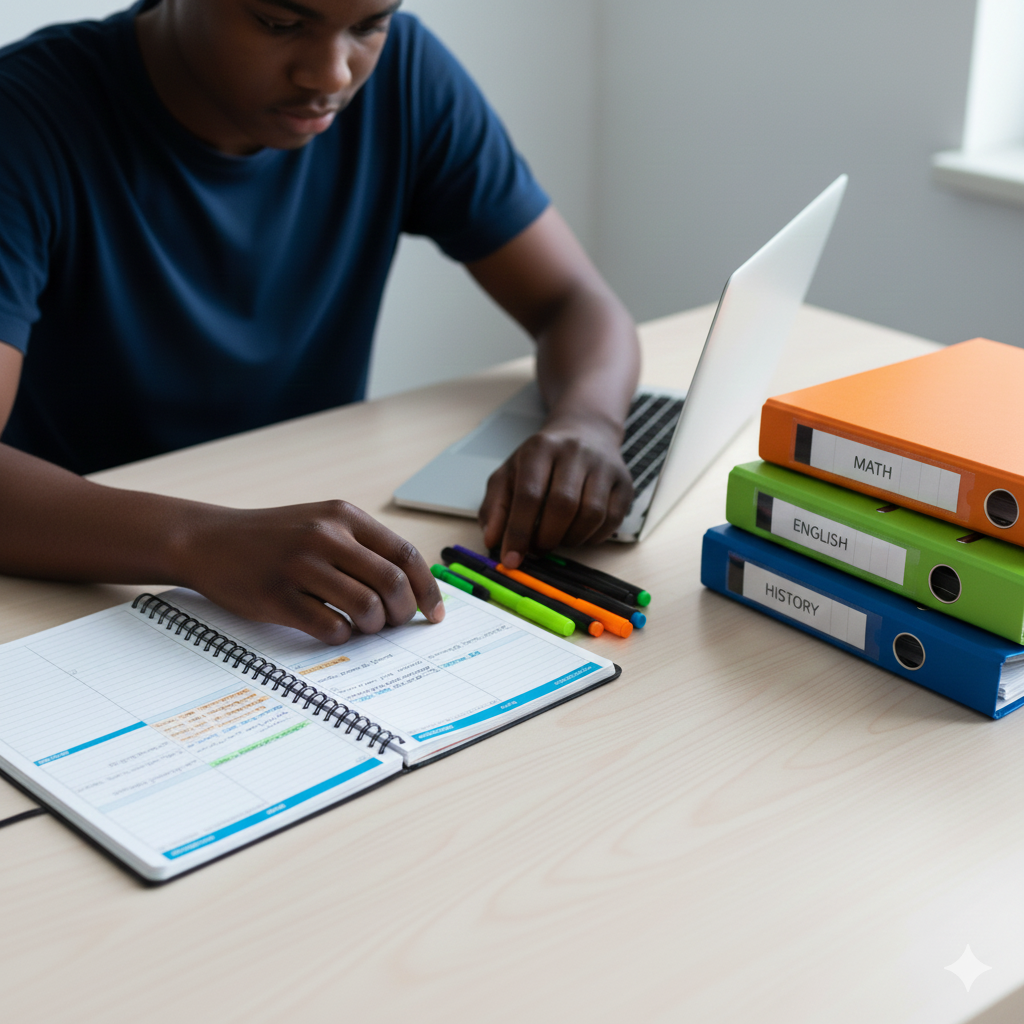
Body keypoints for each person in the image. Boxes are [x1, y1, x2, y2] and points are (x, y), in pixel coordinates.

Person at [0, 0, 640, 644]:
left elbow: (574, 301)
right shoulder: (23, 117)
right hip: (68, 585)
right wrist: (197, 540)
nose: (333, 75)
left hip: (303, 546)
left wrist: (588, 420)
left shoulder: (406, 74)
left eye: (368, 26)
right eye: (280, 24)